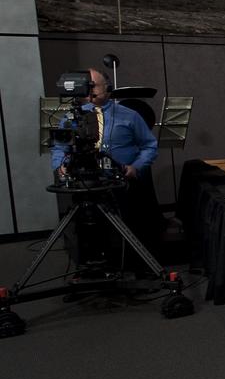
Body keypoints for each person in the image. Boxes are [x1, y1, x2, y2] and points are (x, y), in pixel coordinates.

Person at [50, 67, 164, 259]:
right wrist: (60, 165)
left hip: (122, 185)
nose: (89, 89)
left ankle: (134, 264)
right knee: (89, 234)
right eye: (87, 85)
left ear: (108, 87)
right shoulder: (71, 119)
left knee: (130, 232)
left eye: (94, 85)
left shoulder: (129, 115)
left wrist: (136, 167)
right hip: (86, 186)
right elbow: (60, 148)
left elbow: (149, 146)